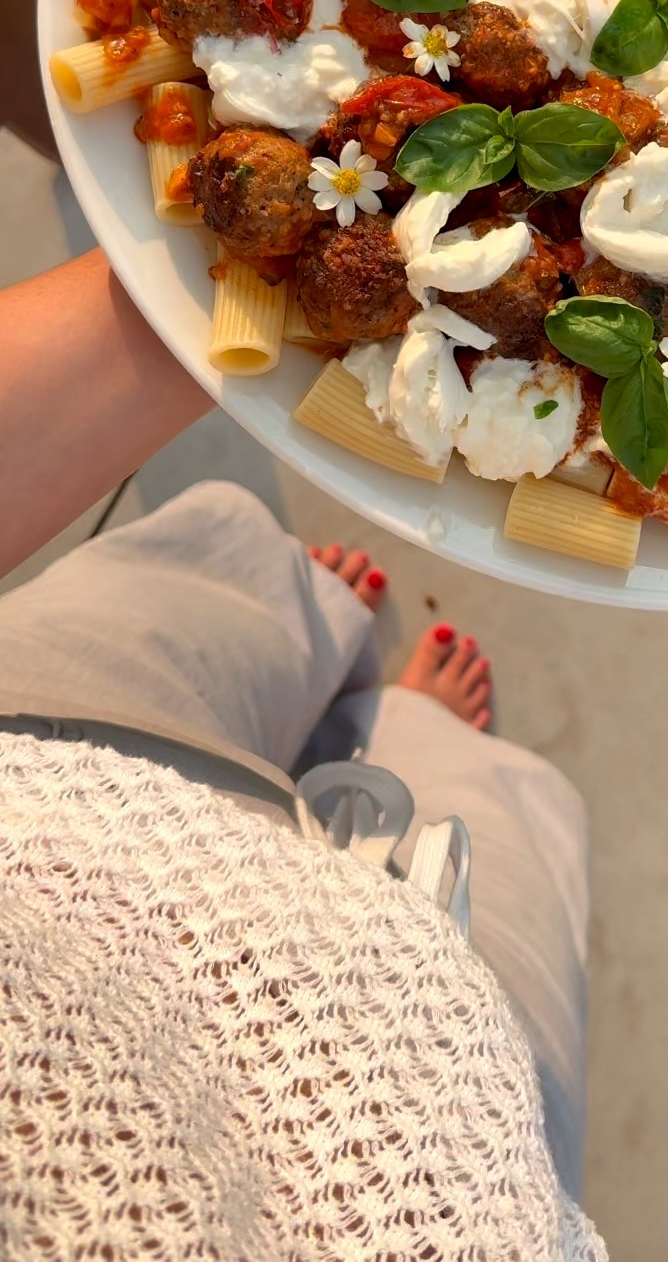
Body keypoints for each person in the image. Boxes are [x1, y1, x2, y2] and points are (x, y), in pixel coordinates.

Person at [0, 249, 603, 1260]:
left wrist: (203, 286)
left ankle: (306, 622)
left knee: (219, 584)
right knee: (491, 803)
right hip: (434, 1112)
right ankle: (412, 724)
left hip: (43, 790)